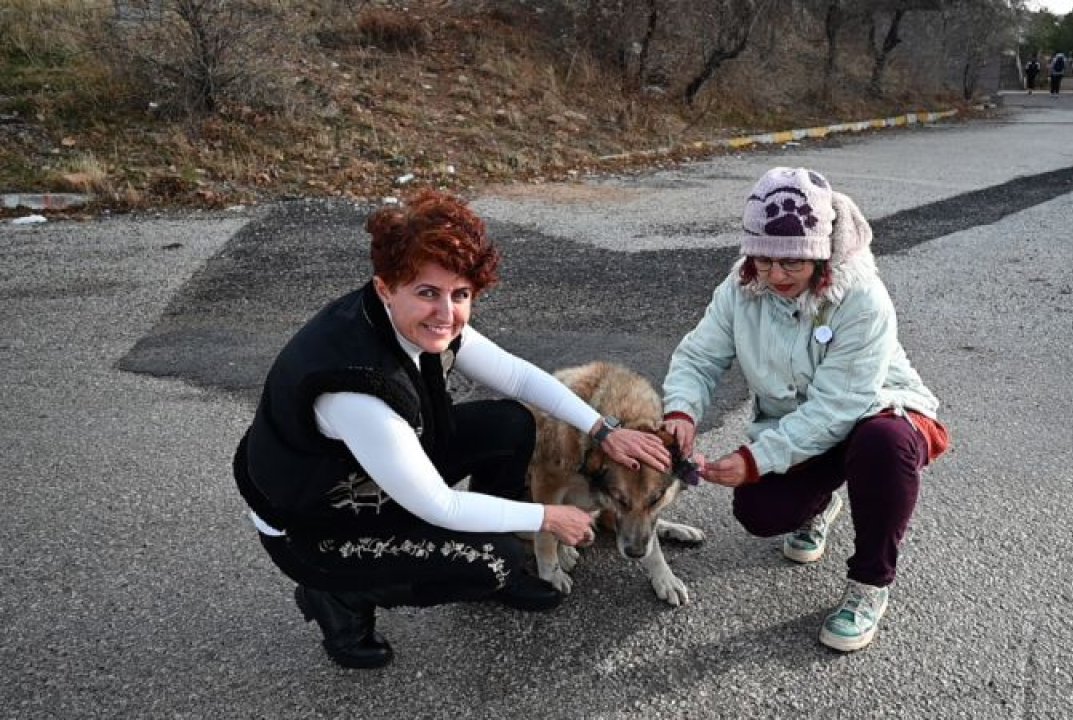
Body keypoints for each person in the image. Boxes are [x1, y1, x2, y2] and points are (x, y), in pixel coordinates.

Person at [232, 189, 671, 669]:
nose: (446, 314)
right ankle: (336, 595)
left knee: (513, 422)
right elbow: (439, 505)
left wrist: (604, 430)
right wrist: (545, 517)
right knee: (495, 559)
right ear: (385, 287)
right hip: (314, 519)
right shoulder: (358, 394)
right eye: (427, 292)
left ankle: (477, 547)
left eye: (460, 294)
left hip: (368, 472)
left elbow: (519, 376)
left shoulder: (411, 321)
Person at [659, 167, 949, 652]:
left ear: (821, 253)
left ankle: (870, 584)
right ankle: (820, 503)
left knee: (883, 445)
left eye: (792, 264)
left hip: (878, 413)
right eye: (764, 260)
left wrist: (757, 458)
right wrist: (682, 413)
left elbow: (841, 406)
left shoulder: (863, 298)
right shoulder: (741, 287)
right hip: (798, 423)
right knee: (759, 511)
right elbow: (700, 356)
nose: (775, 276)